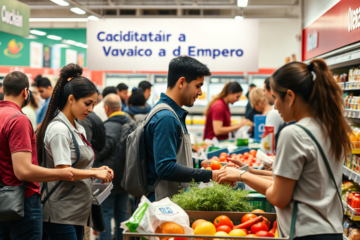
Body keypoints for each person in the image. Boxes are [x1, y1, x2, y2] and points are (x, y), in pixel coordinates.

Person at [217, 59, 350, 240]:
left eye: (276, 98)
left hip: (304, 233)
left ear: (290, 96)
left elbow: (279, 197)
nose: (275, 106)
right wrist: (249, 170)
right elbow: (304, 182)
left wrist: (242, 176)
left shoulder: (293, 133)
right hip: (332, 231)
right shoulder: (331, 129)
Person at [36, 64, 114, 240]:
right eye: (87, 104)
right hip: (59, 213)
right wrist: (94, 172)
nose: (91, 109)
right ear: (71, 99)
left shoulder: (78, 128)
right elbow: (64, 171)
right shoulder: (58, 129)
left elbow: (78, 167)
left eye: (94, 104)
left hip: (77, 211)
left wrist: (99, 171)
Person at [0, 71, 73, 240]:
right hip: (22, 201)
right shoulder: (18, 119)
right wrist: (61, 173)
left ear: (4, 90)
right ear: (25, 92)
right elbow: (23, 171)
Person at [144, 56, 218, 202]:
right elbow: (165, 167)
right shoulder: (167, 118)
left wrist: (198, 163)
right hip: (161, 203)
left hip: (166, 200)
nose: (200, 92)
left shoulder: (169, 113)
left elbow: (169, 154)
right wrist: (209, 175)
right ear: (182, 82)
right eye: (198, 86)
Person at [96, 93, 131, 240]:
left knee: (106, 213)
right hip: (127, 177)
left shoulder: (107, 127)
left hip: (108, 178)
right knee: (122, 213)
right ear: (121, 107)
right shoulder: (132, 124)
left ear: (107, 109)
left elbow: (102, 152)